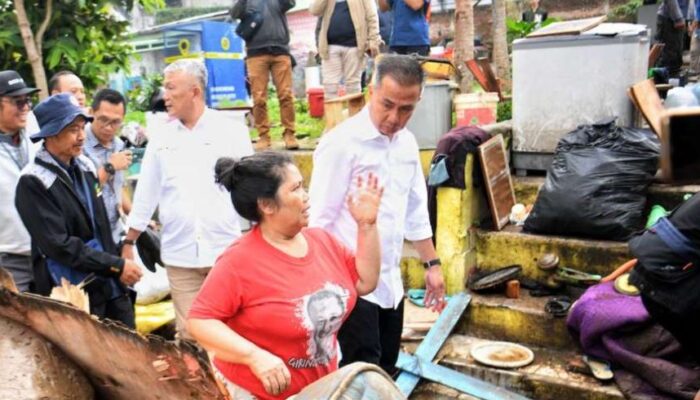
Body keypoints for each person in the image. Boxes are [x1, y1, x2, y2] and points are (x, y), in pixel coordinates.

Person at [187, 152, 382, 399]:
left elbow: (365, 282)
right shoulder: (239, 261)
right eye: (296, 189)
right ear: (267, 205)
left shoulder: (322, 241)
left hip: (321, 388)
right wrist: (253, 356)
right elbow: (200, 321)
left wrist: (367, 226)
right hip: (260, 392)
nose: (306, 197)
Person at [308, 54, 446, 375]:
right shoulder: (341, 144)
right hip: (351, 286)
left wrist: (433, 264)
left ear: (418, 100)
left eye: (406, 108)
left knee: (387, 364)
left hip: (391, 284)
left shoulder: (407, 144)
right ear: (371, 90)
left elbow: (414, 210)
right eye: (387, 104)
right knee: (359, 372)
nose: (394, 117)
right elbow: (319, 221)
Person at [123, 59, 254, 339]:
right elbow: (146, 192)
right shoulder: (161, 137)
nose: (164, 96)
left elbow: (250, 187)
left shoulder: (230, 131)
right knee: (191, 336)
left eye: (171, 88)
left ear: (194, 91)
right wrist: (129, 241)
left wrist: (259, 237)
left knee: (233, 331)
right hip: (180, 256)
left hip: (225, 252)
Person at [15, 93, 141, 327]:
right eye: (73, 129)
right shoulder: (33, 182)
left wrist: (121, 252)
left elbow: (101, 221)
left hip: (108, 281)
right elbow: (59, 246)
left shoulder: (85, 166)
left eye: (83, 127)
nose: (82, 136)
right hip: (71, 290)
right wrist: (114, 265)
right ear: (51, 133)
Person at [230, 0, 299, 150]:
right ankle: (263, 136)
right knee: (259, 97)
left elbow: (291, 3)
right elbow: (234, 14)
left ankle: (289, 134)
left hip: (280, 51)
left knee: (285, 95)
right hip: (256, 54)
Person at [0, 70, 40, 292]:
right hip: (7, 259)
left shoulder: (33, 131)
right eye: (17, 101)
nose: (25, 106)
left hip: (42, 253)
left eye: (27, 100)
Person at [83, 89, 133, 244]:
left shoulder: (118, 144)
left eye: (115, 122)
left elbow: (117, 188)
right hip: (90, 236)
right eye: (103, 120)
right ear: (91, 113)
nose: (109, 127)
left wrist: (136, 217)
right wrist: (110, 167)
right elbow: (83, 191)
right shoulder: (79, 143)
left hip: (115, 233)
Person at [310, 0, 382, 99]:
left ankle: (355, 114)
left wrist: (373, 39)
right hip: (330, 48)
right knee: (330, 87)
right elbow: (314, 10)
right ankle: (333, 114)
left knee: (353, 87)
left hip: (355, 47)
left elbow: (372, 16)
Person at [656, 0, 691, 78]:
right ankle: (662, 83)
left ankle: (673, 82)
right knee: (669, 55)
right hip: (669, 18)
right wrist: (678, 18)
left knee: (677, 54)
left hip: (678, 17)